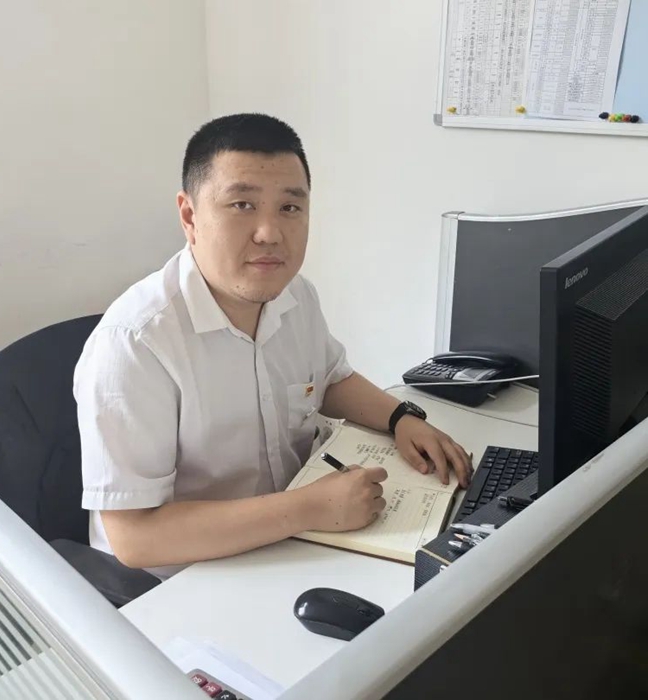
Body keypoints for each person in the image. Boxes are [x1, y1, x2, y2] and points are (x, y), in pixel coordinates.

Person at [74, 113, 472, 580]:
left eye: (289, 207)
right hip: (190, 578)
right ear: (189, 216)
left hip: (292, 541)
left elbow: (329, 379)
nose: (270, 233)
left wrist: (401, 418)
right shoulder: (135, 344)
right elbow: (135, 537)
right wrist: (307, 509)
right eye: (242, 204)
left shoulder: (294, 294)